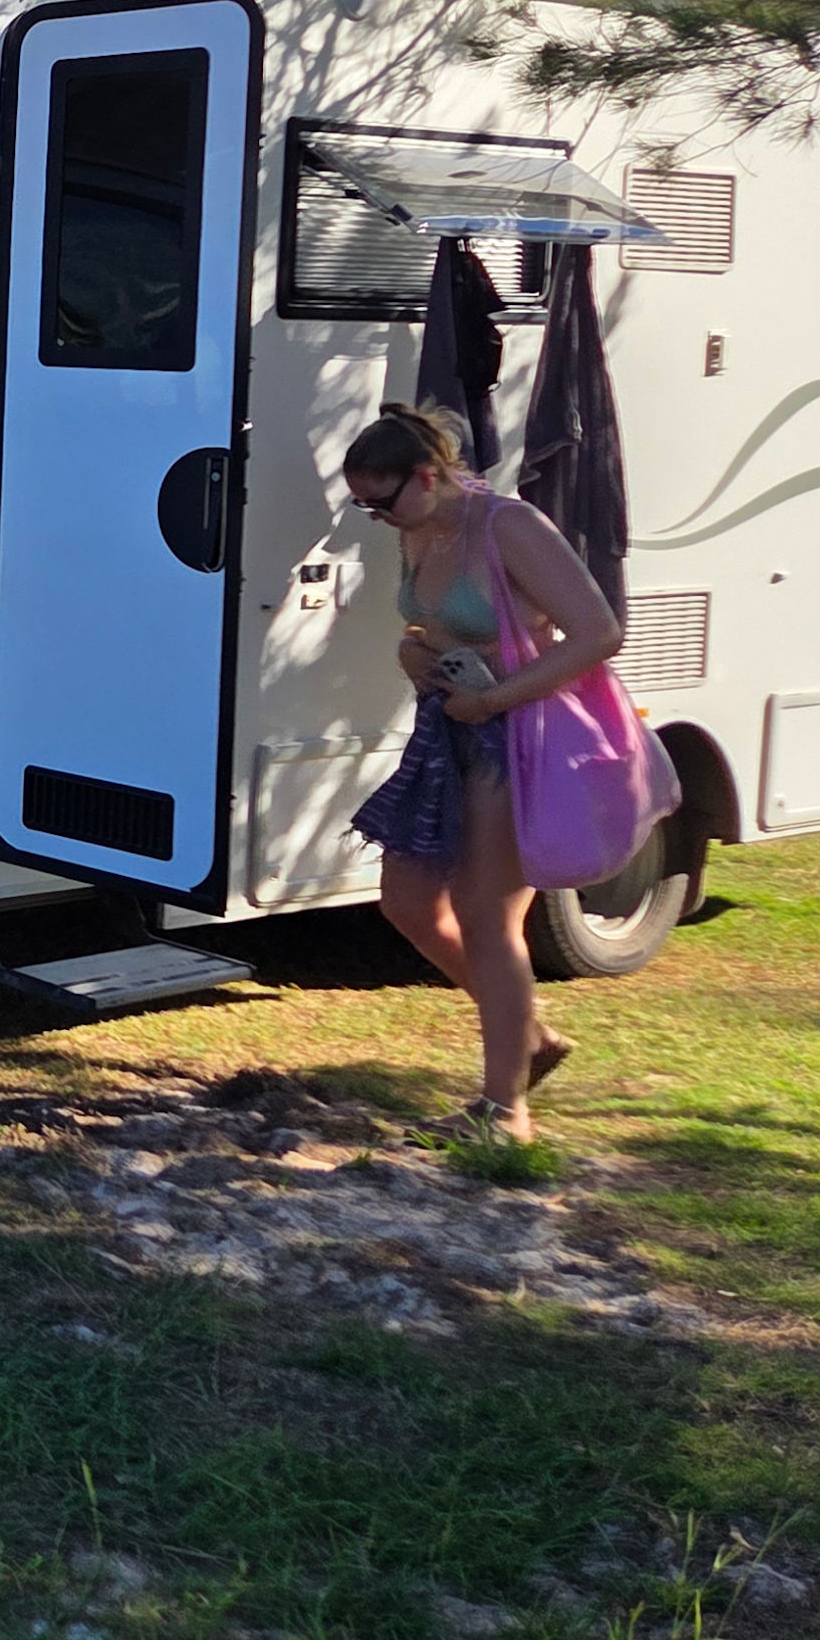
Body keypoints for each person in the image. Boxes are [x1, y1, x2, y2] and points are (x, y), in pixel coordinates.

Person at [340, 402, 626, 1141]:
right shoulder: (419, 528)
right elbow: (428, 624)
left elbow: (598, 633)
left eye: (382, 500)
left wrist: (495, 697)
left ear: (427, 475)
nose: (377, 518)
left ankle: (505, 1114)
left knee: (487, 916)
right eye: (364, 505)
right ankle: (527, 1038)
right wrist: (413, 651)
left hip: (514, 738)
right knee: (406, 898)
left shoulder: (509, 527)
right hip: (447, 735)